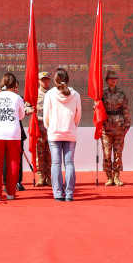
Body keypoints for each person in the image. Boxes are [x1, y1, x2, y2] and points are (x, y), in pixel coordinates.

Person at [43, 68, 81, 202]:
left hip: (54, 133)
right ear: (68, 79)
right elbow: (78, 115)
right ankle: (69, 194)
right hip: (70, 133)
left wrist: (49, 127)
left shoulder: (49, 94)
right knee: (69, 163)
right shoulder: (75, 94)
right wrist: (72, 126)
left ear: (55, 80)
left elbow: (46, 115)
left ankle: (58, 194)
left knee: (56, 163)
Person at [0, 73, 25, 201]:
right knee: (13, 164)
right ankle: (11, 193)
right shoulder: (17, 98)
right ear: (14, 85)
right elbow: (21, 116)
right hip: (13, 134)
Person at [100, 70, 130, 186]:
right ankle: (109, 177)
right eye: (111, 78)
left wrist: (127, 124)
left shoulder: (121, 94)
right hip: (106, 127)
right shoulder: (102, 94)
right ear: (107, 80)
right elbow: (98, 109)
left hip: (119, 126)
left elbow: (125, 109)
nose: (113, 80)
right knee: (107, 153)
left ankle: (117, 177)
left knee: (118, 153)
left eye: (115, 78)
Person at [24, 71, 51, 187]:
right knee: (39, 152)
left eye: (46, 79)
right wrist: (30, 110)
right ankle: (40, 177)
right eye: (42, 79)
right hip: (38, 127)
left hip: (50, 127)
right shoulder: (34, 94)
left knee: (49, 153)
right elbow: (25, 109)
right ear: (39, 81)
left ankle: (48, 177)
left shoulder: (53, 93)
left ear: (49, 80)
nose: (44, 81)